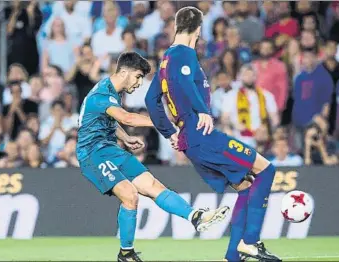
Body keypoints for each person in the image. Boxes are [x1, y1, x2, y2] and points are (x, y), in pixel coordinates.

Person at [145, 6, 280, 262]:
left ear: (176, 25)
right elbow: (183, 83)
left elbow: (152, 100)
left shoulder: (165, 59)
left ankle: (233, 256)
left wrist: (169, 132)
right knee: (266, 170)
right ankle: (251, 242)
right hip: (201, 133)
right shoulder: (184, 53)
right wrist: (203, 110)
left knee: (245, 186)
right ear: (199, 28)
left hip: (189, 138)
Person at [76, 52, 229, 262]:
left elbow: (106, 120)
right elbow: (128, 117)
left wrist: (125, 138)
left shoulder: (110, 91)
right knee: (130, 195)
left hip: (109, 148)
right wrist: (164, 123)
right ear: (124, 72)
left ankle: (195, 216)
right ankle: (126, 254)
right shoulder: (102, 94)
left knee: (153, 186)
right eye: (138, 76)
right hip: (92, 153)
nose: (140, 82)